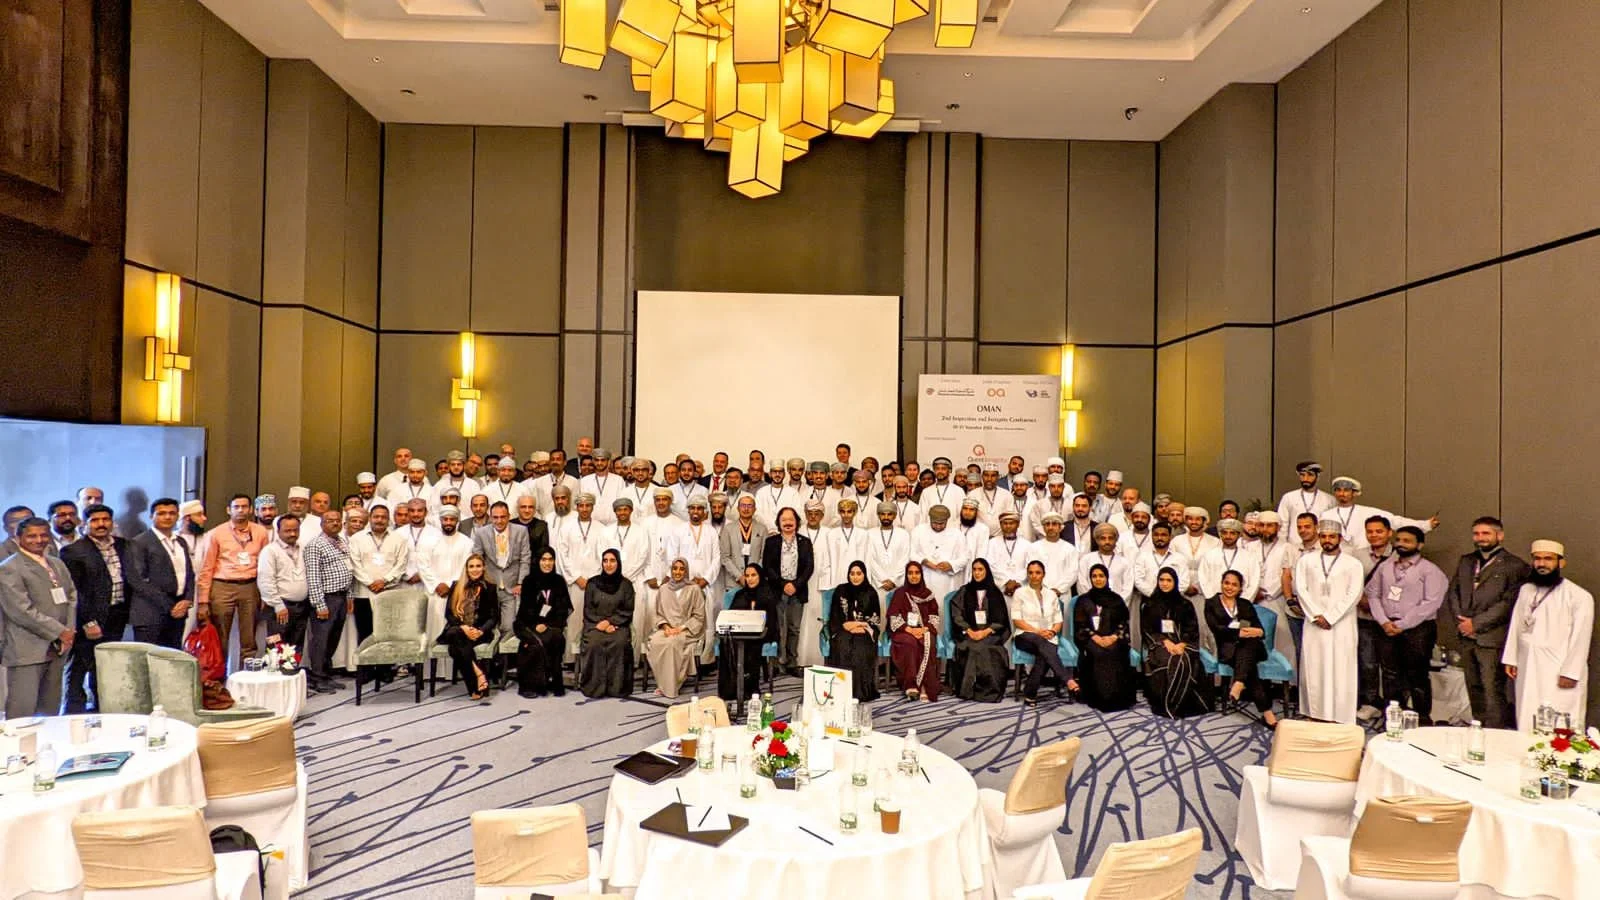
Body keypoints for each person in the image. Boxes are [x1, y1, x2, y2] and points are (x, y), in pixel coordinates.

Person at [1440, 516, 1528, 729]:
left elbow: (1508, 603)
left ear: (1500, 535)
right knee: (1474, 688)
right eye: (1476, 533)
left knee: (1492, 690)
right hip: (1466, 636)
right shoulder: (1467, 561)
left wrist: (1476, 624)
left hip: (1492, 638)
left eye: (1486, 533)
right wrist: (1462, 623)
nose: (1480, 538)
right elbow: (1454, 593)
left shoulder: (1515, 565)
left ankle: (1495, 735)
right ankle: (1478, 731)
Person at [1503, 540, 1593, 732]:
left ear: (1561, 563)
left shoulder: (1579, 596)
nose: (1542, 564)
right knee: (1527, 712)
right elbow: (1516, 624)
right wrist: (1511, 658)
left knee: (1559, 720)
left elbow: (1581, 638)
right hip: (1528, 666)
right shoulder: (1526, 590)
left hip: (1558, 669)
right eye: (1537, 559)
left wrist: (1570, 672)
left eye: (1548, 559)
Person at [1365, 526, 1447, 724]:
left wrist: (1403, 624)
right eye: (1399, 540)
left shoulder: (1430, 570)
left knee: (1417, 675)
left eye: (1407, 541)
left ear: (1420, 545)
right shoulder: (1385, 566)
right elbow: (1372, 594)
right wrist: (1384, 621)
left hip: (1417, 630)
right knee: (1390, 675)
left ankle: (1422, 719)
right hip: (1386, 627)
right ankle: (1393, 718)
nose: (1401, 544)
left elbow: (1431, 603)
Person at [0, 517, 77, 717]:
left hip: (59, 645)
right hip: (27, 646)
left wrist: (68, 631)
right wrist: (59, 631)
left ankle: (48, 746)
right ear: (18, 538)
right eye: (32, 536)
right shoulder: (9, 567)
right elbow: (20, 610)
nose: (39, 540)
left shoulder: (56, 563)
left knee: (51, 708)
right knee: (23, 708)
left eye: (43, 535)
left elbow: (71, 596)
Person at [61, 504, 130, 712]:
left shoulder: (123, 545)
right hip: (88, 619)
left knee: (106, 667)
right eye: (95, 520)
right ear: (85, 523)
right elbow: (74, 592)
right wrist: (88, 622)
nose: (101, 524)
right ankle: (72, 713)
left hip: (116, 614)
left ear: (112, 522)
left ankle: (102, 711)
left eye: (105, 519)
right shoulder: (73, 551)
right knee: (80, 667)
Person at [1295, 518, 1364, 724]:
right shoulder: (1306, 561)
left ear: (1340, 538)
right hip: (1314, 623)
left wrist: (1331, 616)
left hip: (1341, 624)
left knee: (1341, 668)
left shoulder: (1353, 564)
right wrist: (1316, 614)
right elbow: (1301, 589)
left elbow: (1354, 594)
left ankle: (1340, 715)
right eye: (1323, 536)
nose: (1327, 540)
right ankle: (1313, 712)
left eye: (1331, 536)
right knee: (1313, 666)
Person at [197, 493, 271, 662]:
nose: (241, 510)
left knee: (249, 638)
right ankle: (219, 682)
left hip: (250, 586)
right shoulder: (216, 533)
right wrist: (203, 600)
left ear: (251, 510)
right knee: (220, 637)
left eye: (244, 507)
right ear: (228, 510)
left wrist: (266, 593)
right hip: (222, 586)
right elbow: (207, 568)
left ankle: (246, 679)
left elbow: (266, 565)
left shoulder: (260, 532)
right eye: (236, 507)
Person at [1205, 570, 1278, 727]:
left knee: (1248, 644)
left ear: (1240, 588)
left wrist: (1253, 632)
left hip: (1251, 647)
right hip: (1228, 650)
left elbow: (1260, 630)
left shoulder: (1245, 604)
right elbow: (1218, 629)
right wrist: (1240, 633)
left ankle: (1238, 682)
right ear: (1221, 583)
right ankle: (1266, 711)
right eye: (1227, 583)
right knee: (1250, 667)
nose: (1229, 587)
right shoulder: (1211, 604)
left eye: (1234, 584)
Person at [1141, 566, 1210, 718]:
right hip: (1159, 645)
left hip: (1183, 645)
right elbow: (1147, 630)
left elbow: (1192, 629)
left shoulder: (1185, 604)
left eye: (1169, 580)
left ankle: (1180, 703)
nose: (1164, 583)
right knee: (1172, 660)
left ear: (1175, 582)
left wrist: (1182, 644)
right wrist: (1165, 642)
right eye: (1161, 580)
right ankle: (1170, 704)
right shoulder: (1150, 605)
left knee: (1184, 659)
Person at [125, 497, 194, 649]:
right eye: (161, 513)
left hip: (178, 612)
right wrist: (171, 606)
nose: (167, 517)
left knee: (172, 659)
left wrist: (188, 599)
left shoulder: (181, 541)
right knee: (148, 661)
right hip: (150, 614)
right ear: (151, 517)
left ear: (178, 516)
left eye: (172, 513)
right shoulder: (139, 542)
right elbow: (138, 581)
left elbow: (189, 574)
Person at [1073, 563, 1137, 712]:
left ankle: (1117, 697)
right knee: (1099, 653)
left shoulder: (1116, 600)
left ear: (1107, 578)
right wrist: (1095, 638)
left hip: (1114, 638)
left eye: (1101, 576)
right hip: (1090, 639)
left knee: (1114, 651)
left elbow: (1123, 623)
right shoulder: (1084, 600)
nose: (1098, 579)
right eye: (1094, 576)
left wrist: (1114, 637)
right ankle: (1101, 697)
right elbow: (1080, 625)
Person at [302, 508, 351, 692]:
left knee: (333, 638)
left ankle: (326, 674)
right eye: (330, 521)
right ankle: (317, 678)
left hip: (341, 596)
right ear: (322, 524)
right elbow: (313, 577)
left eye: (338, 520)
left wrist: (350, 595)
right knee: (320, 640)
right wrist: (319, 604)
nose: (335, 523)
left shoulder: (341, 541)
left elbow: (349, 568)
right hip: (326, 599)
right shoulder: (316, 545)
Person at [761, 507, 814, 676]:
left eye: (791, 519)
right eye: (784, 520)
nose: (788, 522)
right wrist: (783, 584)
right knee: (778, 627)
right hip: (777, 590)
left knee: (794, 628)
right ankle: (776, 663)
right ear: (779, 523)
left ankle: (792, 662)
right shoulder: (771, 542)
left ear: (797, 522)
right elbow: (767, 567)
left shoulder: (805, 542)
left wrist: (795, 585)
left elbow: (809, 568)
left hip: (798, 591)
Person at [644, 557, 707, 699]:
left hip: (687, 630)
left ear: (686, 571)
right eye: (675, 568)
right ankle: (663, 683)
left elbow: (699, 616)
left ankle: (671, 687)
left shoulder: (694, 589)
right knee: (655, 642)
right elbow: (658, 613)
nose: (678, 572)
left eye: (681, 569)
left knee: (671, 644)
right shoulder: (664, 589)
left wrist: (680, 629)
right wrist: (666, 627)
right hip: (666, 629)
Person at [950, 558, 1011, 702]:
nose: (977, 573)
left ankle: (988, 690)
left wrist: (985, 631)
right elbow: (956, 614)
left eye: (980, 570)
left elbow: (1000, 619)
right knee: (971, 646)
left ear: (986, 571)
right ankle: (968, 689)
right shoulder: (965, 590)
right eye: (974, 570)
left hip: (990, 633)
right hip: (969, 632)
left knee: (984, 647)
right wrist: (969, 630)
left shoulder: (994, 592)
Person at [437, 554, 498, 700]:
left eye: (478, 566)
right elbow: (449, 614)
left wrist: (480, 630)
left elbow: (493, 617)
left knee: (455, 647)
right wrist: (463, 627)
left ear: (483, 568)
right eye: (471, 566)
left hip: (478, 632)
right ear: (466, 569)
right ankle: (478, 674)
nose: (475, 569)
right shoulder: (456, 586)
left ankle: (474, 687)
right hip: (458, 629)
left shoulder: (490, 588)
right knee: (454, 633)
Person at [258, 515, 312, 676]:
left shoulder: (303, 548)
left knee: (295, 646)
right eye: (287, 530)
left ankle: (291, 681)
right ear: (278, 531)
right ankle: (276, 682)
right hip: (280, 607)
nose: (292, 534)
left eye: (295, 530)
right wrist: (278, 605)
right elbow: (266, 580)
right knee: (277, 646)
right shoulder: (270, 551)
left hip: (301, 606)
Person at [515, 547, 571, 698]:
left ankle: (550, 680)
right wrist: (536, 624)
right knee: (534, 644)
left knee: (556, 637)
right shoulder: (529, 581)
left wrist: (546, 624)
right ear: (538, 561)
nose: (547, 563)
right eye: (543, 559)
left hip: (551, 624)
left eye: (550, 560)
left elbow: (563, 608)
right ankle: (530, 685)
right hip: (527, 624)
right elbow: (526, 609)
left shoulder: (559, 581)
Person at [579, 549, 634, 697]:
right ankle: (594, 688)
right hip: (595, 625)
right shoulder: (592, 583)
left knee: (620, 643)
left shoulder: (626, 585)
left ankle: (616, 688)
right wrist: (600, 624)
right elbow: (588, 610)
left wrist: (610, 623)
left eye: (612, 560)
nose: (608, 564)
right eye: (605, 560)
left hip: (618, 625)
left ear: (618, 562)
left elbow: (628, 610)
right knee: (594, 643)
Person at [472, 501, 531, 636]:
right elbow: (477, 559)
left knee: (509, 627)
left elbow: (525, 559)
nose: (499, 521)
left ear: (509, 516)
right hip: (489, 588)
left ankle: (506, 657)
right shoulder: (481, 533)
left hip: (511, 588)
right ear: (491, 517)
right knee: (488, 627)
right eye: (495, 517)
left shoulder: (521, 531)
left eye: (503, 517)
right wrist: (480, 584)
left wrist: (521, 583)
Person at [719, 564, 777, 701]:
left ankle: (749, 689)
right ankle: (731, 689)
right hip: (739, 634)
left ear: (760, 576)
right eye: (747, 575)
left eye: (753, 575)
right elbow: (731, 616)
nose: (750, 579)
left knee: (750, 646)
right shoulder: (740, 594)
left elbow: (772, 622)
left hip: (763, 634)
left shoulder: (768, 595)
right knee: (726, 642)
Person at [826, 561, 882, 702]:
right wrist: (848, 625)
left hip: (864, 631)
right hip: (843, 629)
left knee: (860, 649)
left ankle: (860, 692)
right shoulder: (841, 590)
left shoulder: (871, 592)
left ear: (864, 574)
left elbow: (875, 618)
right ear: (848, 575)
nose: (855, 577)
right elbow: (834, 615)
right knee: (843, 646)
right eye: (852, 574)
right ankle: (841, 690)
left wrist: (861, 626)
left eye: (859, 573)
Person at [887, 561, 942, 701]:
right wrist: (910, 630)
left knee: (926, 642)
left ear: (921, 575)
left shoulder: (928, 594)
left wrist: (924, 629)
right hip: (904, 631)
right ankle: (910, 685)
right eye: (910, 573)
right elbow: (893, 616)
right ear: (906, 575)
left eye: (917, 573)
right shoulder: (900, 593)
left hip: (924, 630)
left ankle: (924, 686)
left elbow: (934, 617)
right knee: (910, 643)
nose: (914, 576)